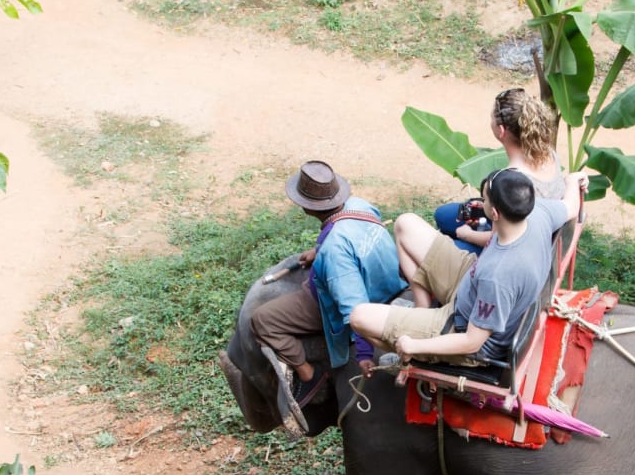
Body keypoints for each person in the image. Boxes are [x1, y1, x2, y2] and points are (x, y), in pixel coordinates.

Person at [351, 167, 586, 367]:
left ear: (494, 212)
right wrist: (572, 180)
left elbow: (472, 341)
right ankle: (421, 311)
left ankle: (414, 356)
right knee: (405, 224)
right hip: (470, 282)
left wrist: (413, 344)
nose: (481, 202)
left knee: (359, 317)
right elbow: (571, 206)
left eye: (485, 199)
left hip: (462, 328)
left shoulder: (499, 275)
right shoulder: (537, 212)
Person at [251, 161, 405, 406]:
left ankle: (308, 374)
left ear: (306, 207)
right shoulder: (358, 206)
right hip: (387, 283)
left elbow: (355, 308)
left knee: (262, 320)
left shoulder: (334, 251)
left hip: (356, 295)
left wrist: (364, 352)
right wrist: (319, 248)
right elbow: (351, 236)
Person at [434, 87, 565, 254]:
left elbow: (500, 239)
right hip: (543, 232)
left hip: (516, 249)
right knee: (443, 215)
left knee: (440, 244)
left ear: (501, 131)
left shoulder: (510, 181)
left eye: (491, 118)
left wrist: (467, 235)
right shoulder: (548, 152)